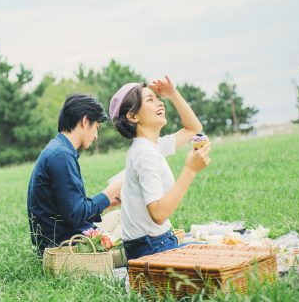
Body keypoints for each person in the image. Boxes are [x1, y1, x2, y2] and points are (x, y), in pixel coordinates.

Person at [109, 76, 211, 260]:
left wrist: (173, 95)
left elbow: (194, 128)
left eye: (157, 98)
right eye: (150, 99)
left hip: (153, 244)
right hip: (152, 249)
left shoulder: (150, 145)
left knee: (212, 248)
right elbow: (158, 213)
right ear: (132, 116)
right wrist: (190, 170)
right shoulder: (145, 153)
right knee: (217, 255)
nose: (159, 103)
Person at [27, 94, 123, 255]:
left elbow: (70, 208)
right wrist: (113, 190)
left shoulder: (58, 149)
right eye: (97, 127)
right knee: (135, 234)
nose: (96, 136)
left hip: (64, 237)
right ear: (85, 121)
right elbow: (75, 214)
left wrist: (109, 202)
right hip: (65, 247)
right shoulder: (61, 156)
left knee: (120, 217)